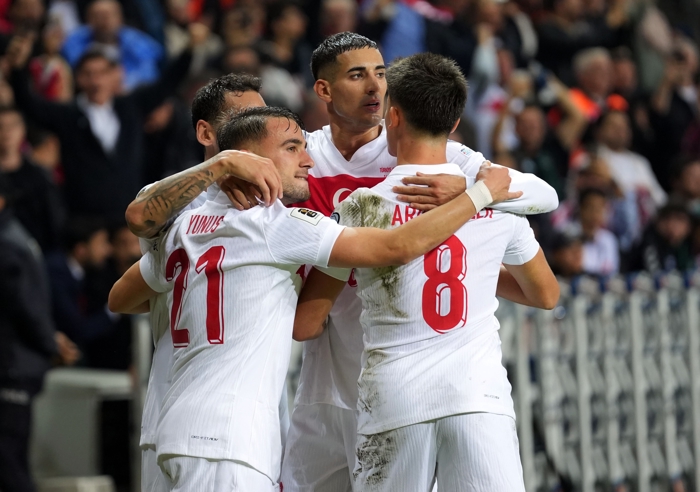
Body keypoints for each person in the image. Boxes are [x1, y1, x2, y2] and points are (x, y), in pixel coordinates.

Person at [125, 32, 558, 492]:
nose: (375, 86)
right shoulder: (297, 152)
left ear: (395, 110)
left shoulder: (438, 162)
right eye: (357, 75)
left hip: (390, 382)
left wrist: (472, 191)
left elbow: (543, 194)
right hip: (331, 384)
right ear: (324, 90)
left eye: (381, 74)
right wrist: (224, 169)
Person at [292, 53, 559, 492]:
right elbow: (546, 295)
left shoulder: (360, 207)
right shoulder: (499, 203)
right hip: (479, 396)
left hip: (395, 399)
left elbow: (306, 322)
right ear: (455, 124)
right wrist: (476, 265)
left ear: (393, 117)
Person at [7, 30, 199, 220]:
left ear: (114, 75)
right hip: (85, 221)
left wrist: (190, 49)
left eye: (102, 73)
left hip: (130, 216)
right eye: (88, 74)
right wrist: (18, 69)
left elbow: (166, 84)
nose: (96, 81)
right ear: (78, 78)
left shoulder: (130, 107)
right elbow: (28, 104)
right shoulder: (67, 116)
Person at [0, 174, 79, 492]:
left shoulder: (6, 244)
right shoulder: (17, 236)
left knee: (7, 459)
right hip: (19, 363)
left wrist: (50, 342)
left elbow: (24, 307)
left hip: (12, 366)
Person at [61, 0, 163, 91]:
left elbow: (148, 75)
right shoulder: (74, 42)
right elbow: (74, 72)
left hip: (129, 96)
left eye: (109, 15)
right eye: (99, 15)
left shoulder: (136, 42)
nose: (105, 20)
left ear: (120, 18)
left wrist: (123, 85)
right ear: (89, 20)